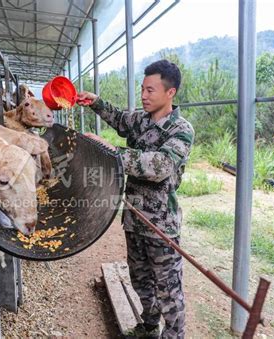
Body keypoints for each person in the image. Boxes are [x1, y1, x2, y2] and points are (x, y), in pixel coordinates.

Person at [77, 59, 194, 338]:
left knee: (168, 288)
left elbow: (160, 166)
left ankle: (173, 335)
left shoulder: (181, 130)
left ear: (170, 93)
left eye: (150, 90)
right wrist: (96, 102)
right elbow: (118, 118)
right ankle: (149, 325)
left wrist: (113, 153)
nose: (143, 95)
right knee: (140, 278)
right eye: (142, 89)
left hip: (160, 224)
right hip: (134, 216)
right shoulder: (141, 120)